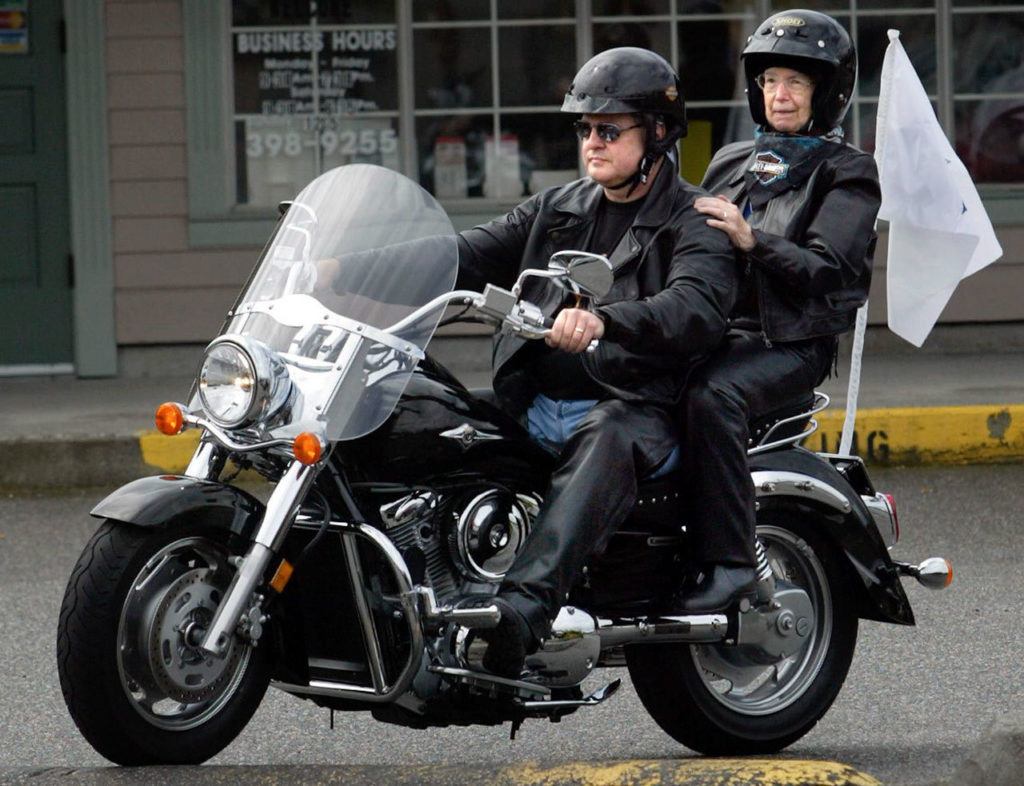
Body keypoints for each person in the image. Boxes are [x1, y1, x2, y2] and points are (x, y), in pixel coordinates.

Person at [454, 47, 740, 677]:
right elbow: (468, 252)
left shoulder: (694, 222)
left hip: (637, 408)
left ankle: (520, 615)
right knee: (437, 419)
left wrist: (605, 319)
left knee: (604, 436)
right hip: (535, 402)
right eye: (584, 128)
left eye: (609, 129)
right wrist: (355, 267)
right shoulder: (557, 208)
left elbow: (694, 307)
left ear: (658, 133)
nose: (592, 142)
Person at [675, 10, 882, 612]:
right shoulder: (730, 163)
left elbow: (828, 269)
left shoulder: (847, 172)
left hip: (790, 344)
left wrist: (751, 240)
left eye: (795, 81)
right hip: (714, 330)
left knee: (711, 397)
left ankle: (733, 562)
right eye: (769, 81)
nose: (780, 94)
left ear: (826, 91)